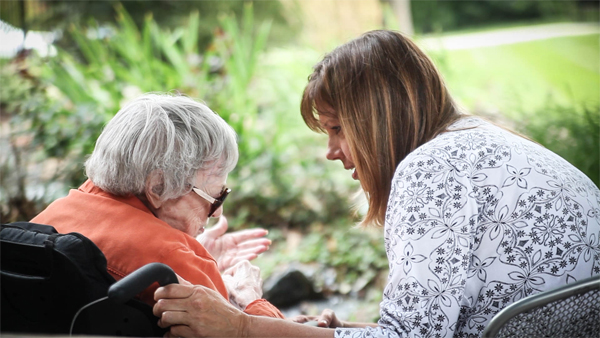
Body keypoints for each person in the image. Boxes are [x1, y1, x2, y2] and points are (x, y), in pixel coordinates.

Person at [152, 30, 600, 337]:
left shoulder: (431, 171)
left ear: (377, 120)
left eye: (337, 129)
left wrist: (242, 327)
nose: (330, 152)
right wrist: (344, 331)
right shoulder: (477, 141)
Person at [31, 93, 283, 318]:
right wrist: (251, 301)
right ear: (157, 187)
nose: (218, 212)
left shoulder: (48, 218)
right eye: (216, 198)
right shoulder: (172, 261)